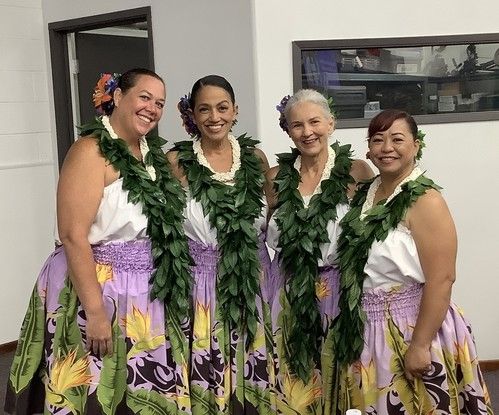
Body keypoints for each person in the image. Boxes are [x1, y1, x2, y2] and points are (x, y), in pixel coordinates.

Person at [4, 68, 193, 414]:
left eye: (160, 103)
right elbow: (73, 235)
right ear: (118, 96)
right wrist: (95, 312)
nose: (152, 108)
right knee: (97, 385)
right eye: (144, 97)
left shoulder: (151, 156)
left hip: (143, 293)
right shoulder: (90, 151)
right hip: (98, 288)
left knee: (140, 387)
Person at [331, 109, 493, 414]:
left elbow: (442, 278)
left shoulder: (426, 200)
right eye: (378, 140)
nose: (387, 148)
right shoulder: (368, 193)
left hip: (412, 325)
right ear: (369, 149)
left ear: (416, 145)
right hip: (369, 326)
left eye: (397, 139)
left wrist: (420, 345)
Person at [167, 75, 272, 414]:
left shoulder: (255, 158)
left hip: (254, 278)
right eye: (204, 109)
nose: (215, 117)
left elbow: (273, 215)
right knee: (207, 370)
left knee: (252, 363)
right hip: (199, 283)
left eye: (222, 108)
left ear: (235, 111)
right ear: (192, 115)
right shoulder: (176, 161)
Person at [265, 89, 373, 414]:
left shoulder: (358, 172)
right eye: (297, 125)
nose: (307, 132)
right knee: (296, 382)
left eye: (314, 122)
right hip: (290, 289)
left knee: (344, 380)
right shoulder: (274, 178)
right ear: (287, 130)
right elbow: (262, 232)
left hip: (342, 290)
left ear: (331, 123)